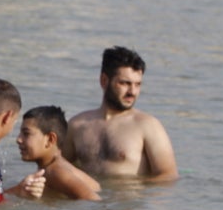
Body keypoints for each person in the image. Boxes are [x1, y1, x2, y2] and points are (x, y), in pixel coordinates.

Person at [63, 46, 178, 182]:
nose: (132, 92)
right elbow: (57, 166)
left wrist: (131, 188)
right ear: (104, 81)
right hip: (89, 202)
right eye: (125, 83)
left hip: (128, 201)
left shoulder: (148, 126)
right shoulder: (77, 125)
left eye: (138, 84)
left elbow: (168, 176)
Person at [17, 106, 101, 200]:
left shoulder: (55, 172)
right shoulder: (54, 167)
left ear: (50, 139)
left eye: (26, 134)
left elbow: (93, 200)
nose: (18, 139)